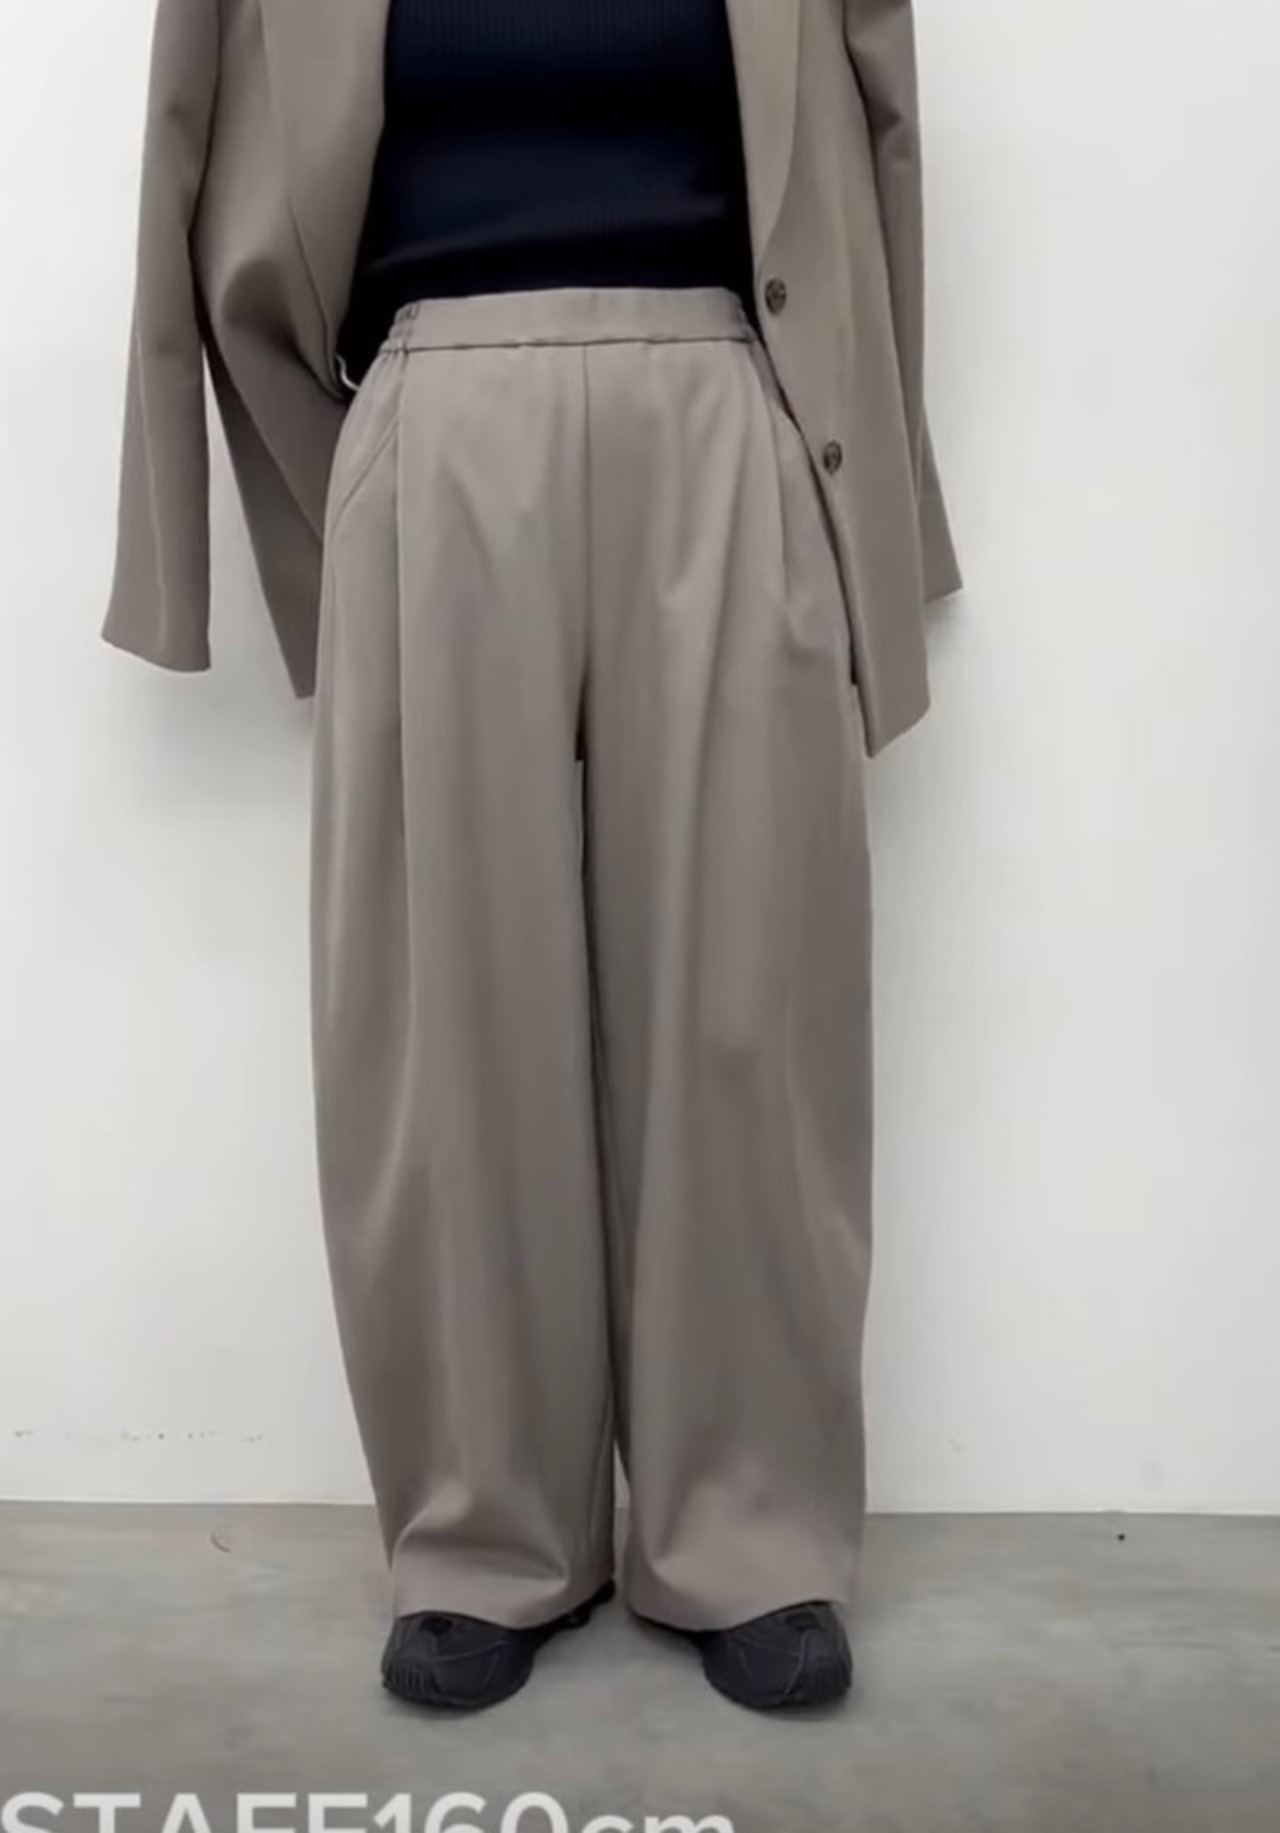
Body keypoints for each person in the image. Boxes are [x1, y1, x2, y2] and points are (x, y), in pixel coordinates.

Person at [103, 0, 962, 1714]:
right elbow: (191, 140)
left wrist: (872, 497)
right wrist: (262, 511)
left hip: (726, 396)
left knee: (749, 1000)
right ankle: (483, 1530)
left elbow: (879, 143)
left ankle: (749, 1527)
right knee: (448, 1014)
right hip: (430, 407)